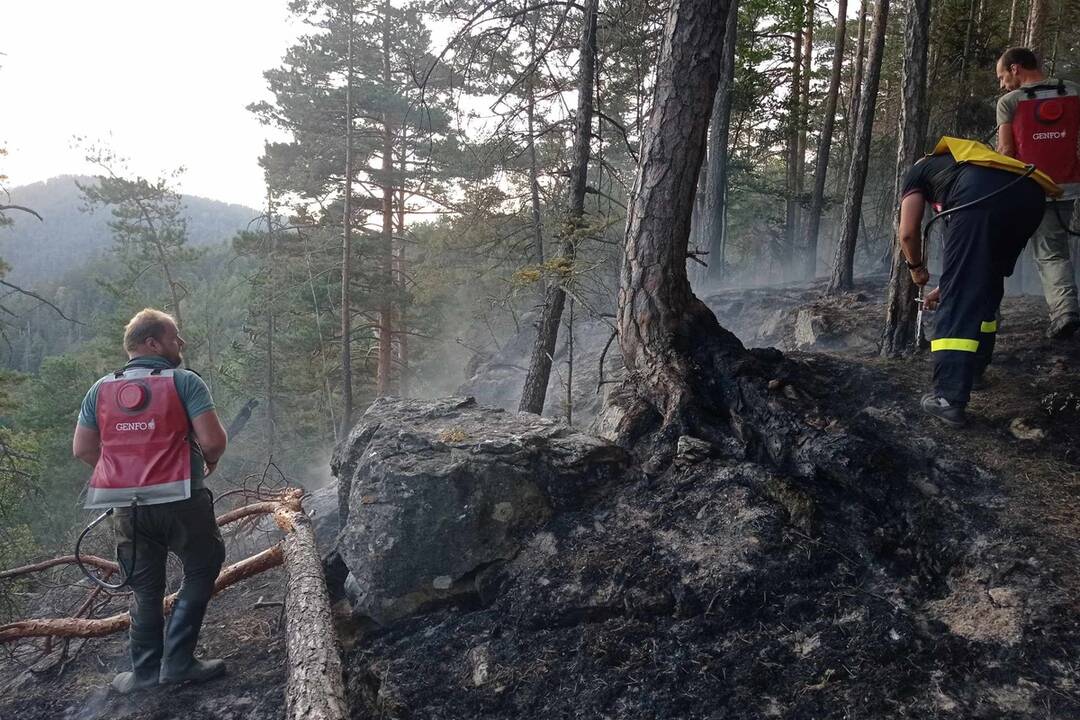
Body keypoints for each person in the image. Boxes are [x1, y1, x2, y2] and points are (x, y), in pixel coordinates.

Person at [72, 309, 229, 693]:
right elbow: (212, 441)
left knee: (144, 589)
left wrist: (124, 475)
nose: (181, 343)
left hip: (126, 506)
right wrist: (208, 461)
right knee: (201, 568)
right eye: (175, 337)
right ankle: (178, 662)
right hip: (181, 498)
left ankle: (143, 674)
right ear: (152, 343)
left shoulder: (100, 389)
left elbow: (82, 449)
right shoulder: (184, 382)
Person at [898, 137, 1059, 427]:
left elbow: (908, 233)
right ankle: (973, 372)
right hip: (1030, 198)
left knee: (959, 300)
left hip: (981, 198)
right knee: (987, 282)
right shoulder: (970, 162)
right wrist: (946, 285)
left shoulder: (919, 171)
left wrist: (916, 269)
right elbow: (973, 269)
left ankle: (948, 398)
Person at [995, 47, 1080, 340]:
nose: (1002, 83)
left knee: (995, 250)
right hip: (1065, 190)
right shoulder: (1073, 92)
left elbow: (1006, 151)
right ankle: (1064, 311)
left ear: (1016, 68)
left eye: (1003, 76)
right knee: (1053, 253)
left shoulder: (1010, 102)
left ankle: (985, 314)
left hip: (1024, 189)